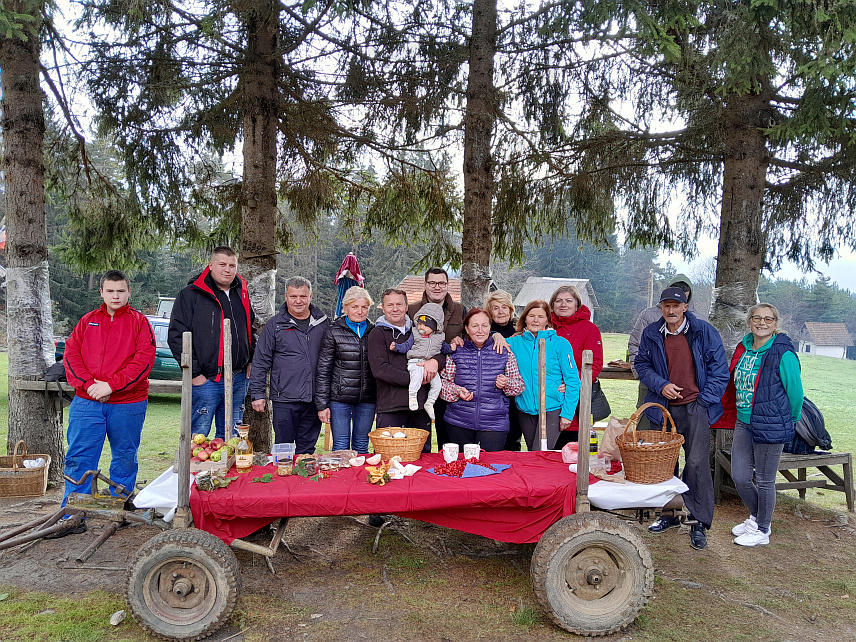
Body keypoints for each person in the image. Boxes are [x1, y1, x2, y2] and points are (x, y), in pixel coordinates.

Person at [634, 286, 729, 550]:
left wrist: (703, 400)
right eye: (666, 306)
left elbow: (720, 371)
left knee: (697, 463)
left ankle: (699, 522)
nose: (671, 310)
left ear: (685, 307)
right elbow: (642, 365)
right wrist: (661, 384)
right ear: (661, 308)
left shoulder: (704, 331)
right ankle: (668, 515)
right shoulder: (651, 332)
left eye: (676, 306)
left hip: (695, 408)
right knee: (665, 464)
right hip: (663, 407)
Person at [61, 270, 156, 531]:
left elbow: (143, 361)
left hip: (128, 403)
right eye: (110, 291)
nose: (116, 295)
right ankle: (73, 512)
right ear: (101, 292)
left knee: (125, 455)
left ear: (129, 293)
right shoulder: (87, 321)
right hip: (87, 401)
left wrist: (111, 386)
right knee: (79, 456)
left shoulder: (140, 323)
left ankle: (119, 507)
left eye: (121, 291)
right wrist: (90, 385)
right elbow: (71, 356)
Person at [713, 304, 804, 547]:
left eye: (768, 319)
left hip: (771, 423)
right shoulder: (744, 348)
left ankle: (762, 530)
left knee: (765, 480)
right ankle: (757, 516)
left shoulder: (782, 353)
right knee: (741, 477)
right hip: (744, 421)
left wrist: (789, 419)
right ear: (749, 321)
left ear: (775, 324)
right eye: (757, 318)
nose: (761, 323)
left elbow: (796, 393)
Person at [168, 246, 256, 440]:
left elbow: (250, 328)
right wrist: (194, 373)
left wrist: (250, 359)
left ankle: (226, 471)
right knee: (198, 438)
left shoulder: (241, 294)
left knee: (232, 437)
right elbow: (177, 337)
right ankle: (196, 471)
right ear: (210, 265)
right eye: (222, 264)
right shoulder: (190, 295)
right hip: (206, 380)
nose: (228, 270)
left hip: (238, 377)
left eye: (232, 265)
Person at [249, 277, 329, 455]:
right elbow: (261, 361)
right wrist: (257, 393)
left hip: (312, 398)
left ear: (311, 296)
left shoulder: (323, 323)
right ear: (286, 297)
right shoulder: (275, 325)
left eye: (303, 296)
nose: (298, 301)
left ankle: (303, 482)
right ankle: (282, 481)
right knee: (283, 450)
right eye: (294, 296)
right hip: (284, 399)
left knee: (307, 451)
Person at [368, 288, 447, 449]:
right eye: (390, 305)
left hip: (419, 407)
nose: (395, 309)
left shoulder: (421, 329)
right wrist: (417, 380)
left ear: (406, 307)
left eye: (399, 304)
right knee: (390, 458)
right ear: (383, 308)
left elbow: (439, 350)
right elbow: (380, 369)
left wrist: (436, 361)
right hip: (391, 407)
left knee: (421, 458)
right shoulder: (377, 333)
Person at [438, 309, 525, 451]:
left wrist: (506, 383)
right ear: (466, 328)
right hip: (458, 422)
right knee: (462, 467)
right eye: (475, 326)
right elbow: (443, 385)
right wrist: (457, 390)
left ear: (490, 328)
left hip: (494, 425)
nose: (480, 330)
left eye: (484, 325)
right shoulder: (456, 351)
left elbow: (519, 386)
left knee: (489, 468)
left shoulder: (504, 351)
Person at [505, 300, 580, 451]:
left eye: (540, 316)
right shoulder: (514, 343)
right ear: (525, 318)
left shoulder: (560, 343)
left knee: (539, 453)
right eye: (531, 316)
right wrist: (496, 337)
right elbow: (487, 343)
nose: (535, 320)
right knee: (534, 453)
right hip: (525, 409)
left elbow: (573, 380)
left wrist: (567, 413)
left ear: (547, 319)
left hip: (552, 408)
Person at [407, 267, 465, 449]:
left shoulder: (460, 310)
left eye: (441, 283)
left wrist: (459, 340)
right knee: (420, 437)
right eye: (432, 283)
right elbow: (408, 342)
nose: (437, 287)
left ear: (448, 285)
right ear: (425, 284)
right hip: (422, 377)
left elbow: (470, 335)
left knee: (448, 438)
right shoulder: (412, 310)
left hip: (450, 380)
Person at [627, 275, 694, 430]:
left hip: (685, 390)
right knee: (647, 430)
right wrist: (642, 374)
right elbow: (634, 344)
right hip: (651, 384)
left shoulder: (697, 319)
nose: (671, 310)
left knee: (680, 434)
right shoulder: (649, 315)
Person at [315, 287, 377, 453]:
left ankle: (360, 479)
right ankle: (340, 479)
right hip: (339, 399)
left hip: (367, 398)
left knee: (362, 445)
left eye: (364, 307)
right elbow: (323, 369)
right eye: (355, 307)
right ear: (345, 308)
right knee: (341, 446)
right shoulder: (333, 331)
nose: (360, 311)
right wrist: (322, 404)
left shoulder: (375, 331)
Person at [549, 285, 603, 450]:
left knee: (573, 448)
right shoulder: (546, 327)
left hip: (577, 396)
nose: (563, 305)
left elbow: (595, 363)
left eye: (568, 301)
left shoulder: (589, 329)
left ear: (577, 305)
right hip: (550, 396)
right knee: (548, 447)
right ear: (552, 305)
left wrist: (573, 382)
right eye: (558, 301)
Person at [390, 302, 452, 420]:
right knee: (416, 377)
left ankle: (430, 402)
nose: (420, 328)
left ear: (435, 326)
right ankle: (412, 397)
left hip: (430, 364)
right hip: (415, 362)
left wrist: (451, 348)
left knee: (437, 384)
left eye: (424, 325)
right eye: (419, 324)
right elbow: (406, 346)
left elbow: (443, 349)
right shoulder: (415, 334)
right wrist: (397, 347)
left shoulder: (439, 337)